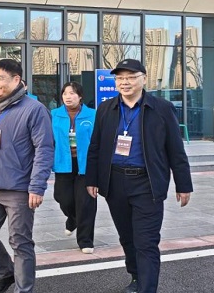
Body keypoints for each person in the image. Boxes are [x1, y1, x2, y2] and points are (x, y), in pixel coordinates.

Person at [85, 59, 193, 293]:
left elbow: (175, 149)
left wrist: (183, 184)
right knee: (127, 237)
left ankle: (147, 288)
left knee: (146, 241)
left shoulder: (162, 108)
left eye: (131, 77)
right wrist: (92, 179)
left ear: (144, 79)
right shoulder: (106, 109)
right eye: (120, 78)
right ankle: (136, 277)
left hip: (147, 183)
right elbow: (95, 146)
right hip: (115, 182)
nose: (125, 82)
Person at [0, 59, 54, 293]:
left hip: (18, 189)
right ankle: (6, 272)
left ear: (17, 79)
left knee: (20, 242)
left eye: (0, 78)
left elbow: (44, 149)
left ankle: (23, 289)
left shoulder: (34, 109)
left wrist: (37, 187)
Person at [51, 82, 97, 254]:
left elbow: (98, 140)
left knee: (86, 203)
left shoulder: (92, 115)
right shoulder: (54, 115)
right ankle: (73, 218)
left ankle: (85, 240)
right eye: (65, 93)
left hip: (86, 164)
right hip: (63, 162)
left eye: (72, 93)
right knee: (63, 198)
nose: (68, 97)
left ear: (80, 96)